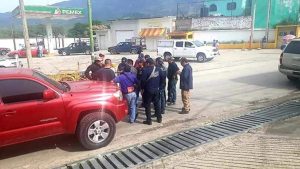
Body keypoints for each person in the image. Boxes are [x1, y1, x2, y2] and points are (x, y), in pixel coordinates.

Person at [141, 58, 163, 125]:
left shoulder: (145, 70)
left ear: (148, 63)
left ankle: (149, 120)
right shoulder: (159, 69)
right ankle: (159, 118)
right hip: (156, 89)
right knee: (157, 104)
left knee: (147, 105)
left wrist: (142, 89)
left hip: (148, 90)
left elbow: (143, 81)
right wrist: (159, 87)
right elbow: (162, 79)